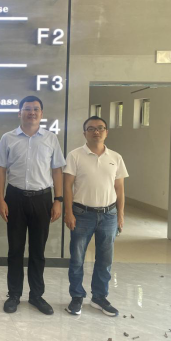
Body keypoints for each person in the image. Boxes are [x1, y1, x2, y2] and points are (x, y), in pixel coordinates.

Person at [0, 96, 66, 316]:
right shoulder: (8, 138)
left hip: (42, 199)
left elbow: (57, 171)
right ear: (20, 113)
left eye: (36, 109)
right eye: (27, 109)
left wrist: (58, 200)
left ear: (41, 114)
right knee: (15, 249)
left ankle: (36, 295)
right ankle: (14, 294)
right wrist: (0, 199)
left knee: (38, 251)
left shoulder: (50, 138)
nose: (32, 112)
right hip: (14, 197)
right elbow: (1, 170)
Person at [64, 116, 128, 317]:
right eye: (91, 129)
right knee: (77, 259)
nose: (96, 132)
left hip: (109, 215)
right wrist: (68, 212)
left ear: (106, 132)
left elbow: (119, 188)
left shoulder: (115, 157)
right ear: (84, 133)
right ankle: (76, 297)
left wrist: (120, 215)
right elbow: (67, 186)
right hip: (82, 214)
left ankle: (99, 297)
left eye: (100, 128)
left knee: (105, 260)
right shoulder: (75, 156)